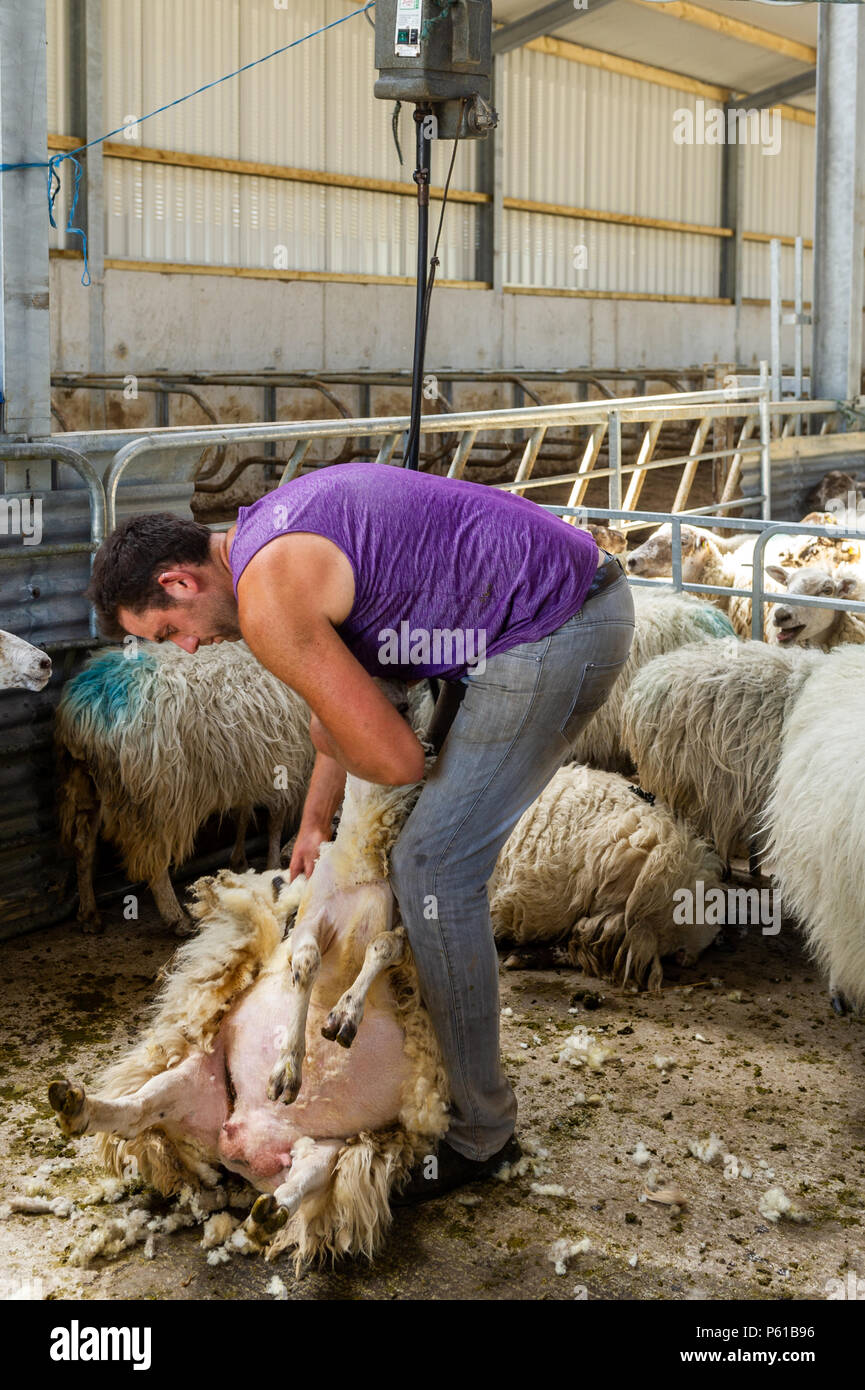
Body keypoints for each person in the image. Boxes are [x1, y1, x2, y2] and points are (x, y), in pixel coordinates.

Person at [86, 461, 635, 1200]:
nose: (183, 647)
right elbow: (356, 698)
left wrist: (329, 719)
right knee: (414, 855)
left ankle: (480, 1134)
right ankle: (425, 1057)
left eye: (167, 630)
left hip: (552, 627)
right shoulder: (266, 531)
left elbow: (396, 759)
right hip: (547, 602)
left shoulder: (268, 604)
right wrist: (316, 820)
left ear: (180, 583)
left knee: (433, 869)